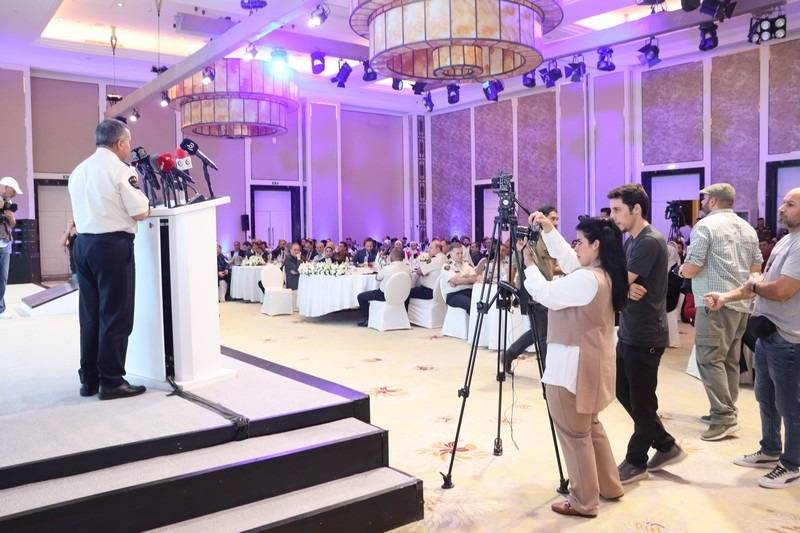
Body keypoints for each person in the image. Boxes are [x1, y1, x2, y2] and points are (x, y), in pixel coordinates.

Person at [524, 213, 628, 517]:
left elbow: (546, 294)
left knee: (575, 435)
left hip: (572, 366)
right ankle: (609, 485)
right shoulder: (604, 273)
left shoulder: (587, 279)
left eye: (580, 241)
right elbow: (571, 261)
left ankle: (584, 500)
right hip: (591, 362)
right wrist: (549, 231)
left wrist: (529, 266)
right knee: (589, 427)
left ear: (596, 245)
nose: (576, 247)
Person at [703, 189, 800, 488]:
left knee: (790, 405)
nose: (781, 208)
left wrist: (755, 286)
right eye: (783, 202)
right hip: (769, 333)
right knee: (765, 397)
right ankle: (770, 449)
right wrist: (726, 297)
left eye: (790, 204)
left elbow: (782, 290)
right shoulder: (787, 240)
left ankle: (793, 463)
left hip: (789, 338)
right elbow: (758, 283)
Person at [607, 184, 685, 483]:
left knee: (642, 401)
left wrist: (622, 286)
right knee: (621, 389)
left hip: (646, 333)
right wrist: (625, 287)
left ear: (636, 208)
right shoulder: (632, 240)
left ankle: (636, 460)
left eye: (617, 210)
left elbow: (614, 282)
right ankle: (664, 443)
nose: (613, 216)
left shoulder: (649, 241)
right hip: (630, 329)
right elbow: (619, 280)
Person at [68, 119, 150, 400]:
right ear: (120, 143)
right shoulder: (120, 170)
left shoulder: (79, 170)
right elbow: (140, 211)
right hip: (111, 246)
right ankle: (112, 381)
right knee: (116, 313)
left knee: (90, 315)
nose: (129, 147)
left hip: (83, 245)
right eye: (128, 142)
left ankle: (89, 379)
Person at [678, 183, 762, 440]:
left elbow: (692, 266)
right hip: (740, 303)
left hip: (714, 303)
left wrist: (681, 270)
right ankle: (727, 409)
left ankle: (723, 417)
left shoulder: (705, 226)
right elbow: (756, 267)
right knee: (729, 360)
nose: (703, 203)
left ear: (713, 201)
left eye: (705, 199)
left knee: (709, 358)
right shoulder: (747, 228)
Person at [504, 206, 561, 374]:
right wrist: (510, 287)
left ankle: (509, 354)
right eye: (553, 218)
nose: (555, 222)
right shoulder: (531, 238)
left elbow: (551, 267)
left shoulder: (552, 240)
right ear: (542, 218)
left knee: (538, 330)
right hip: (531, 291)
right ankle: (548, 372)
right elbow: (515, 263)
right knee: (542, 333)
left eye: (557, 219)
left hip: (546, 289)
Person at [356, 248, 410, 326]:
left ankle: (367, 319)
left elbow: (377, 278)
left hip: (385, 296)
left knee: (361, 296)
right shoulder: (408, 268)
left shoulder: (387, 268)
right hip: (402, 296)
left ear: (393, 256)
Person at [0, 176, 22, 318]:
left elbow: (12, 224)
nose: (14, 195)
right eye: (13, 191)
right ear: (6, 187)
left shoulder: (9, 203)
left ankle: (0, 309)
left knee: (3, 278)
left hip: (5, 243)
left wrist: (11, 218)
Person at [442, 244, 482, 314]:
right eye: (457, 253)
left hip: (469, 291)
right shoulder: (447, 266)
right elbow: (456, 280)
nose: (460, 255)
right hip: (454, 294)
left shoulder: (466, 264)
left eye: (461, 253)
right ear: (451, 254)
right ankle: (473, 321)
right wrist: (469, 278)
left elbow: (476, 276)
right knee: (471, 304)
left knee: (483, 299)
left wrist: (463, 278)